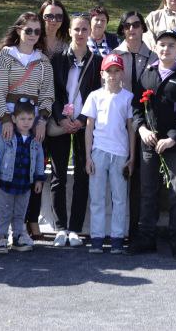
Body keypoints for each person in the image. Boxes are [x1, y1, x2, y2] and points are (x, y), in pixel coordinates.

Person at [0, 13, 55, 242]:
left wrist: (43, 121)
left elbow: (47, 94)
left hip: (32, 122)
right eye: (28, 30)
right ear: (18, 29)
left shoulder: (44, 61)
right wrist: (5, 118)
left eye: (37, 31)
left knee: (24, 171)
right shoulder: (6, 57)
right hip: (7, 119)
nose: (32, 35)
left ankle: (17, 231)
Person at [132, 31, 176, 259]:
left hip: (174, 146)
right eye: (162, 45)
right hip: (149, 143)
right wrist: (142, 129)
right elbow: (136, 108)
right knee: (148, 192)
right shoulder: (147, 74)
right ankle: (146, 237)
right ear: (156, 48)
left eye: (171, 45)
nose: (166, 49)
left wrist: (172, 138)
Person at [46, 12, 100, 247]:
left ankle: (76, 228)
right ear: (69, 31)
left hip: (83, 125)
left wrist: (80, 119)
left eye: (84, 30)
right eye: (76, 29)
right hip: (60, 124)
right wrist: (61, 118)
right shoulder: (57, 59)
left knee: (82, 176)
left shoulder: (96, 62)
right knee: (58, 176)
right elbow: (53, 92)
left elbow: (97, 95)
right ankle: (60, 227)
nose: (80, 34)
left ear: (90, 32)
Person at [82, 53, 135, 254]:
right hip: (99, 152)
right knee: (97, 197)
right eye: (108, 71)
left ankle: (117, 238)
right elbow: (89, 128)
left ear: (122, 73)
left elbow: (131, 129)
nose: (112, 75)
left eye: (116, 71)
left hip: (120, 154)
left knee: (119, 198)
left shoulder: (128, 97)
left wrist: (131, 157)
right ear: (102, 74)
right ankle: (97, 238)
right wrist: (88, 156)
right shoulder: (95, 96)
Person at [114, 10, 155, 243]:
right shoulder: (114, 55)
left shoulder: (153, 57)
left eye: (137, 25)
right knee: (119, 175)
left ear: (143, 28)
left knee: (140, 177)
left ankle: (137, 229)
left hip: (144, 122)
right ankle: (118, 229)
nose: (132, 29)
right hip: (118, 122)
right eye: (127, 26)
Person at [0, 95, 46, 253]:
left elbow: (40, 160)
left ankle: (18, 237)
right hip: (6, 182)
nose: (26, 122)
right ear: (13, 119)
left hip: (25, 184)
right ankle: (1, 238)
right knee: (5, 211)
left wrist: (39, 180)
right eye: (22, 119)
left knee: (20, 212)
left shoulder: (35, 141)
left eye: (29, 118)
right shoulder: (6, 138)